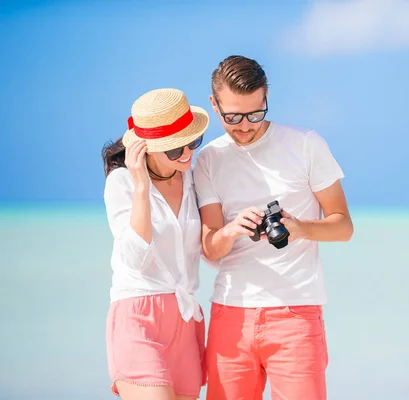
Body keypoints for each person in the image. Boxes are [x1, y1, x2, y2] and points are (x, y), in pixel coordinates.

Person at [192, 55, 354, 400]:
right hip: (230, 314)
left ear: (266, 98)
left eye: (255, 113)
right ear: (214, 104)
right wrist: (233, 229)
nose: (245, 126)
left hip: (296, 314)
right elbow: (209, 249)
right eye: (232, 116)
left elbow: (343, 226)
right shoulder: (208, 159)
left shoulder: (306, 144)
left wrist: (301, 229)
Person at [101, 88, 210, 400]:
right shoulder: (121, 183)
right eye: (175, 149)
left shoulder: (194, 178)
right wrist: (140, 186)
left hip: (186, 322)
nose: (187, 153)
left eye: (192, 142)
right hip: (139, 317)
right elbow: (134, 257)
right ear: (145, 149)